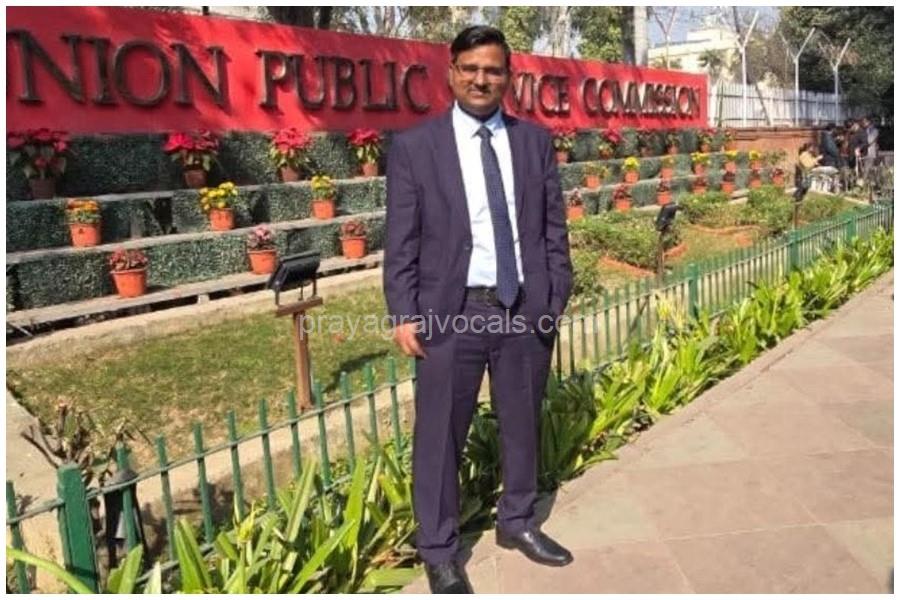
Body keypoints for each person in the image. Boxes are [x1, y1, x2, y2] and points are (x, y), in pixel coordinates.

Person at [383, 25, 574, 594]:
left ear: (508, 76)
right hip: (451, 313)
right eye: (470, 68)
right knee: (440, 436)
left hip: (523, 309)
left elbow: (553, 228)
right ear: (451, 73)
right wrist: (403, 312)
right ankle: (439, 550)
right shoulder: (417, 147)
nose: (481, 79)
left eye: (492, 69)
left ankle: (517, 520)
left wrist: (553, 297)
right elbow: (401, 240)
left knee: (522, 423)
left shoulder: (533, 142)